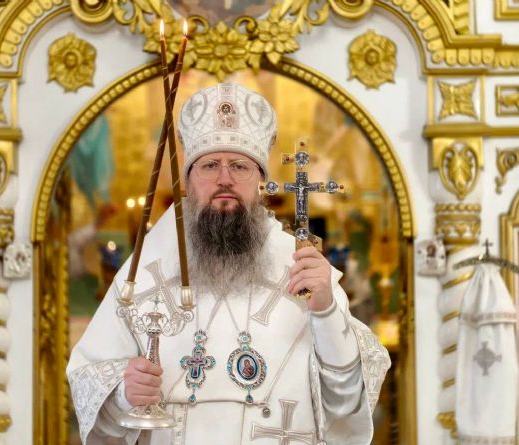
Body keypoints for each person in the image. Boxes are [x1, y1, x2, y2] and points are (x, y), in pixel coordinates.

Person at [67, 83, 391, 445]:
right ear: (187, 181)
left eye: (239, 166)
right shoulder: (145, 272)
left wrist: (326, 311)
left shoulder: (305, 271)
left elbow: (347, 404)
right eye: (209, 166)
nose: (225, 179)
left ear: (261, 181)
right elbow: (89, 384)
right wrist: (124, 394)